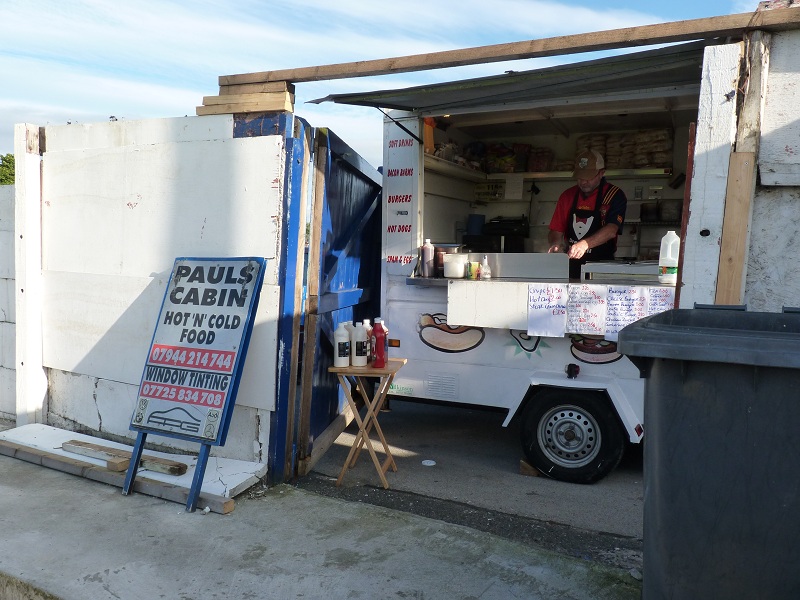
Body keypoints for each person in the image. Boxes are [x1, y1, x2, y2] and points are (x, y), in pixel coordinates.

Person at [547, 149, 627, 279]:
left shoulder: (614, 195)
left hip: (602, 267)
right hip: (571, 266)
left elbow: (611, 230)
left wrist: (584, 244)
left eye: (589, 177)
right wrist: (555, 244)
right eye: (580, 177)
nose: (583, 182)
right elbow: (556, 229)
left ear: (601, 173)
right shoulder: (567, 196)